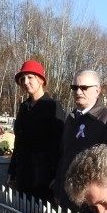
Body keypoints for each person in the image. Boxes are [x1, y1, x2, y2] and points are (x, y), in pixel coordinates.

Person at [54, 69, 107, 208]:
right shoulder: (71, 118)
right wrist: (58, 189)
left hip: (91, 201)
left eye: (84, 87)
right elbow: (64, 156)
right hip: (67, 195)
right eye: (75, 87)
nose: (78, 92)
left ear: (97, 90)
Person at [7, 60, 65, 203]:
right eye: (23, 79)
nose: (26, 82)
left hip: (44, 177)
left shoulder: (52, 106)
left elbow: (58, 144)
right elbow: (18, 143)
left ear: (40, 80)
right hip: (23, 174)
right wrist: (12, 173)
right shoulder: (24, 107)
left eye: (30, 77)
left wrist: (56, 177)